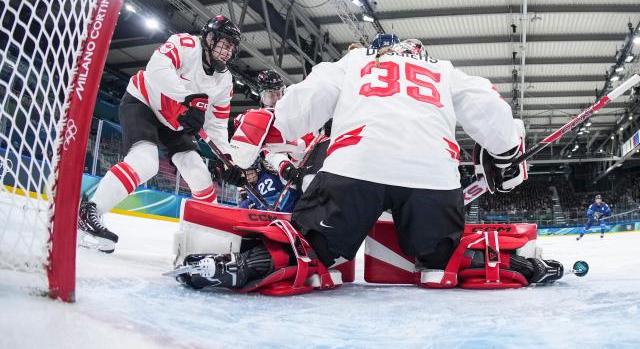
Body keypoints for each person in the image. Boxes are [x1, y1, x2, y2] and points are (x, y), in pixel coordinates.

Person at [173, 38, 562, 292]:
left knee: (312, 251)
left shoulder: (356, 61)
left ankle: (245, 263)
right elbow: (492, 109)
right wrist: (507, 155)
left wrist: (272, 131)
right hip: (434, 180)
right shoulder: (442, 68)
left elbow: (299, 108)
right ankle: (509, 263)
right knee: (442, 258)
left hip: (355, 170)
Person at [78, 16, 246, 253]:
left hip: (175, 121)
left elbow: (216, 126)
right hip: (143, 102)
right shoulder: (185, 44)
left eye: (232, 48)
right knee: (145, 163)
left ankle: (209, 234)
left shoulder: (225, 81)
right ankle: (89, 211)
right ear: (210, 38)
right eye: (225, 44)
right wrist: (186, 100)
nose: (228, 52)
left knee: (199, 174)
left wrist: (228, 160)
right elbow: (156, 69)